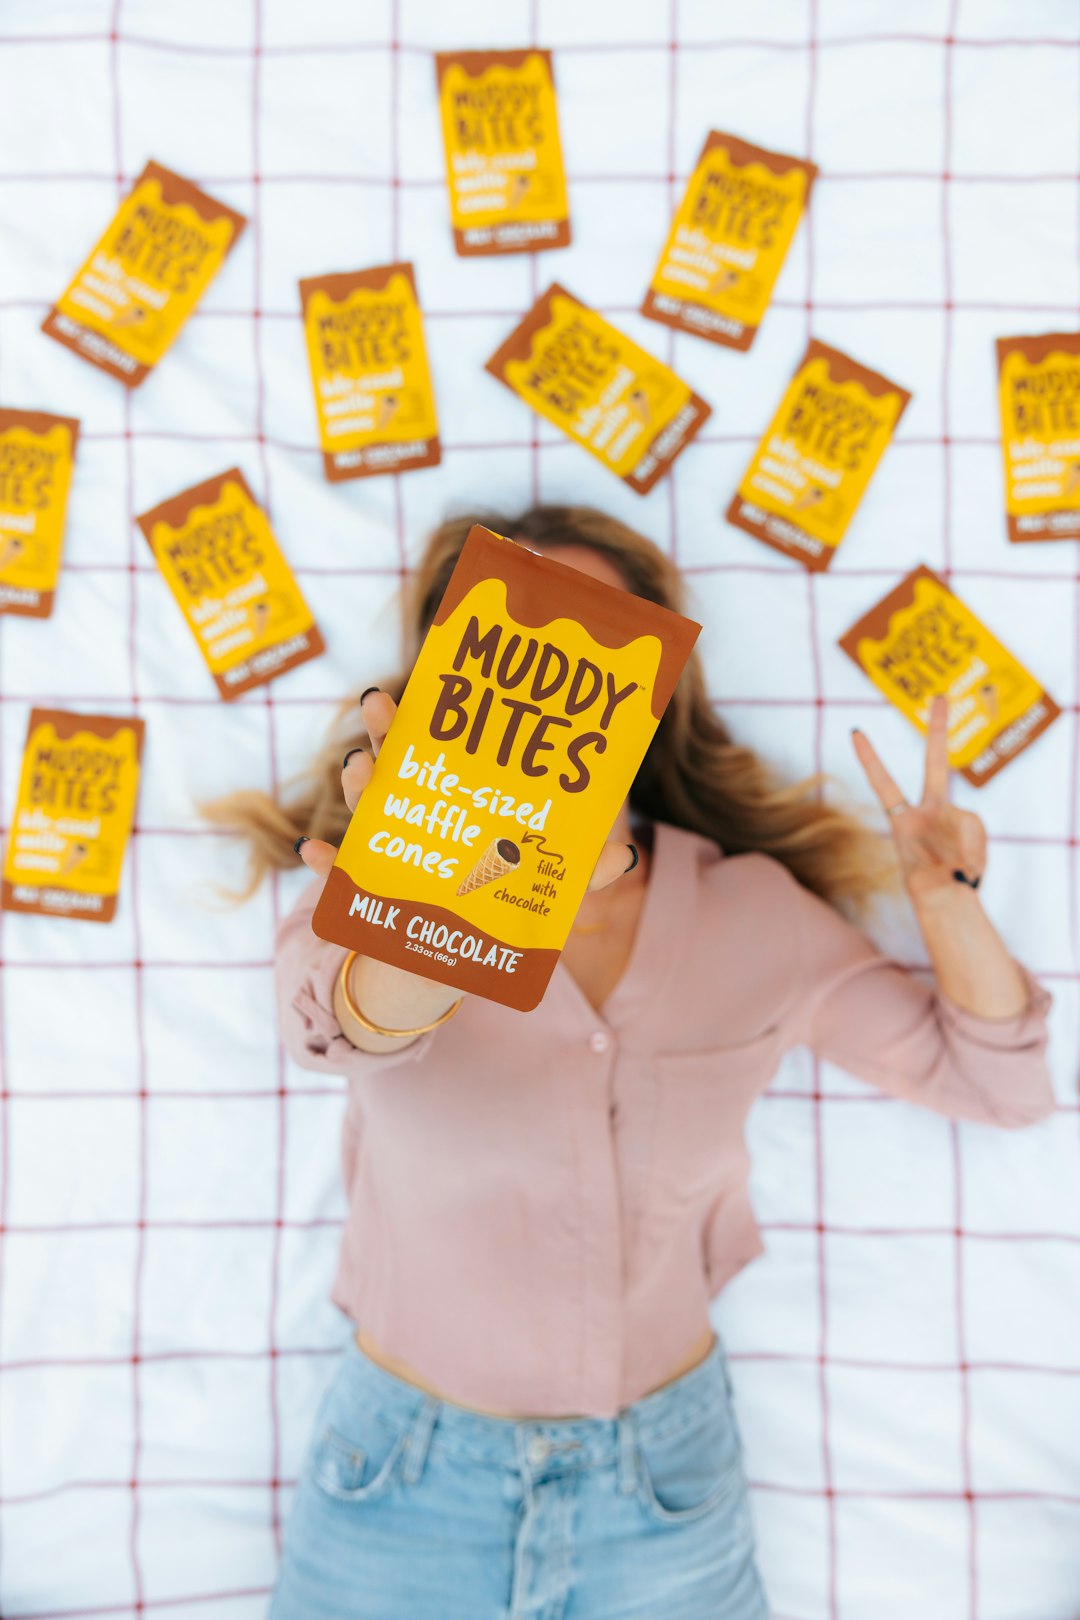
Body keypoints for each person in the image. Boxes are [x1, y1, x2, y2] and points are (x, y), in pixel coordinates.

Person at [205, 505, 1056, 1619]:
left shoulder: (753, 914)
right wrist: (426, 906)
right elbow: (346, 1024)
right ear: (443, 681)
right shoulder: (359, 895)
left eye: (597, 635)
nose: (557, 669)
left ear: (646, 692)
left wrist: (946, 909)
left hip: (664, 1484)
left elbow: (999, 1085)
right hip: (399, 1475)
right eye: (514, 635)